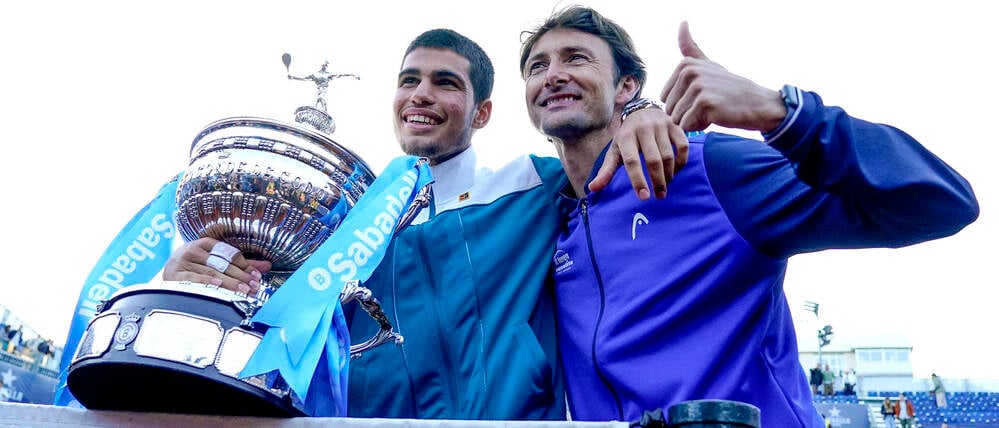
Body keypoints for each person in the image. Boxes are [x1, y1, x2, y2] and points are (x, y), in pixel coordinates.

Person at [163, 28, 679, 419]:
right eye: (409, 81)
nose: (421, 94)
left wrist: (640, 111)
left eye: (445, 83)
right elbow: (266, 309)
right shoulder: (343, 224)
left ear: (481, 113)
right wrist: (204, 273)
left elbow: (597, 154)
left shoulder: (532, 187)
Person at [518, 5, 978, 427]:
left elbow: (942, 203)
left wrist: (781, 113)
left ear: (626, 86)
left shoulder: (705, 171)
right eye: (538, 66)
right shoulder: (550, 218)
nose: (553, 75)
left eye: (576, 59)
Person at [288, 60, 360, 112]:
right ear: (322, 65)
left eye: (326, 65)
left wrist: (353, 75)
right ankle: (318, 112)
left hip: (324, 90)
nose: (324, 66)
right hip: (318, 90)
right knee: (316, 102)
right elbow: (304, 78)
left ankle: (325, 110)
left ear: (327, 67)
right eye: (323, 65)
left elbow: (342, 75)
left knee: (321, 98)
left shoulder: (329, 74)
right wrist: (293, 77)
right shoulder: (316, 74)